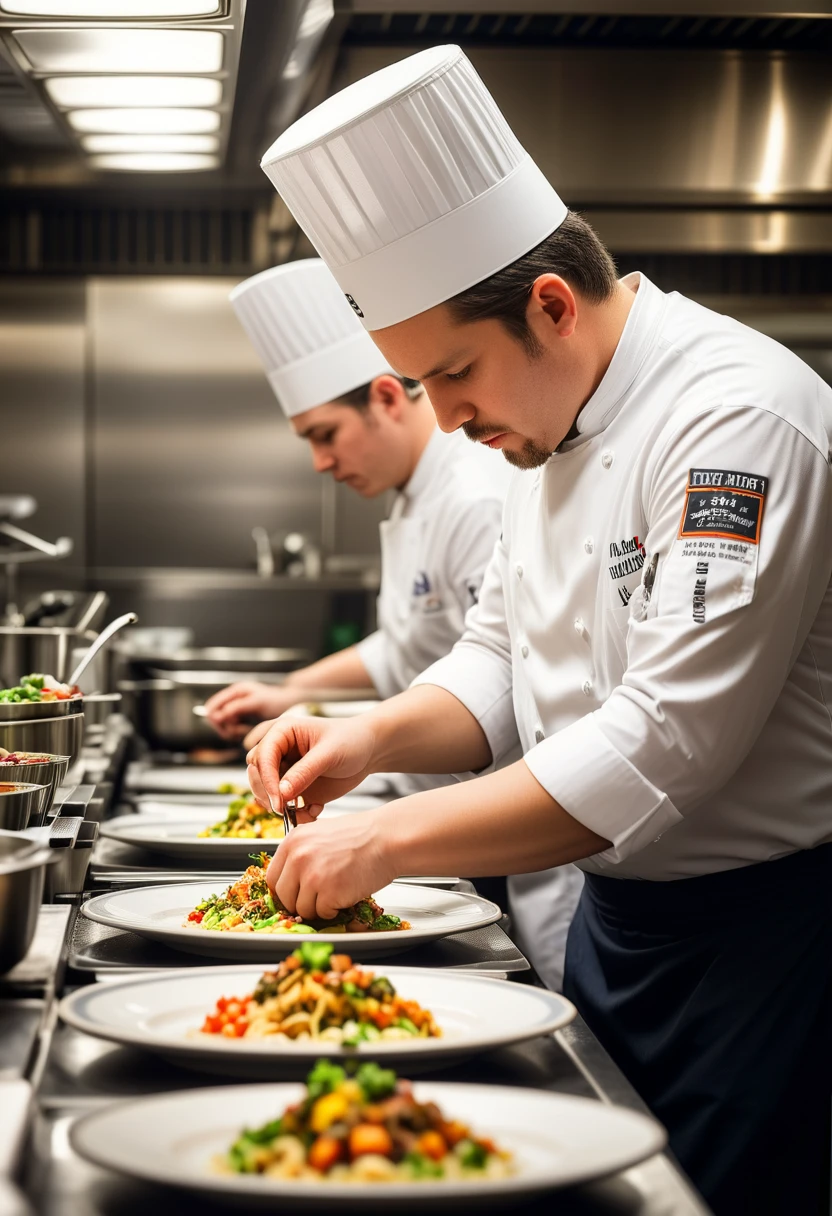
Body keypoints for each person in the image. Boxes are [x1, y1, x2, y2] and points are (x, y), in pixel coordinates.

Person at [246, 44, 832, 1216]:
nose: (448, 418)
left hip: (758, 947)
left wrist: (390, 839)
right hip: (615, 923)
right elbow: (500, 658)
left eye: (453, 374)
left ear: (550, 307)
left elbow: (666, 738)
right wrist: (367, 740)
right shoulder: (540, 430)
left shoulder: (734, 417)